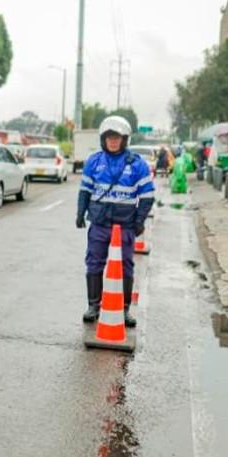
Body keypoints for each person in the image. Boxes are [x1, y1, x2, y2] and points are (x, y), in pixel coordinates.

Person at [76, 116, 155, 327]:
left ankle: (124, 309)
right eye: (109, 137)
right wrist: (80, 213)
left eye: (117, 138)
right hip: (99, 223)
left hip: (125, 226)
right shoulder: (93, 161)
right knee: (93, 263)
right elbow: (85, 190)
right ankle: (94, 305)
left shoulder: (137, 164)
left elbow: (147, 196)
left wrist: (139, 221)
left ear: (124, 139)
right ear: (103, 139)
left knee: (126, 267)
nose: (113, 141)